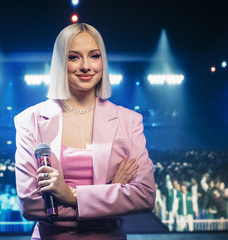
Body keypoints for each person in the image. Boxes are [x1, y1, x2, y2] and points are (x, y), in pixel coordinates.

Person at [14, 23, 155, 239]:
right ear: (60, 63)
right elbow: (30, 205)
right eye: (74, 57)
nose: (86, 66)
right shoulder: (29, 120)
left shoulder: (129, 120)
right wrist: (111, 193)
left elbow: (144, 197)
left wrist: (72, 196)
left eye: (94, 56)